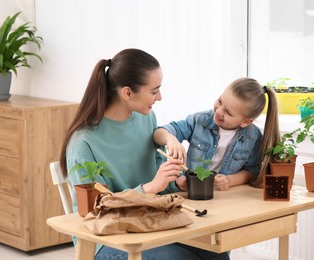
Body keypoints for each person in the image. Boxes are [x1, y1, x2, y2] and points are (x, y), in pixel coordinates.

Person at [60, 48, 230, 260]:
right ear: (128, 93)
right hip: (104, 237)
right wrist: (150, 187)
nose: (159, 97)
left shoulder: (146, 119)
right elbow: (96, 209)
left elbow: (156, 180)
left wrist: (176, 183)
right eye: (154, 91)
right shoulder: (83, 141)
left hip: (148, 222)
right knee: (177, 258)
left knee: (215, 248)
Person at [153, 77, 280, 190]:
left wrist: (229, 181)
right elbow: (159, 132)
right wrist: (170, 139)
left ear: (246, 122)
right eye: (220, 101)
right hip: (193, 191)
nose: (219, 111)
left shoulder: (253, 137)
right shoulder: (200, 120)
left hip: (224, 196)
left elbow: (251, 171)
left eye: (228, 113)